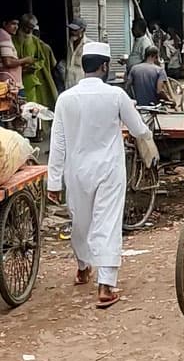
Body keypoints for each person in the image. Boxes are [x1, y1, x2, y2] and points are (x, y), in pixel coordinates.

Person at [47, 42, 157, 309]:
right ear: (105, 66)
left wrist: (53, 181)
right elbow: (139, 129)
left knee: (81, 222)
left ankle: (84, 268)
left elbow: (58, 142)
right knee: (107, 223)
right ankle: (105, 286)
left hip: (76, 171)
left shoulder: (65, 98)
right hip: (109, 169)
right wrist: (146, 140)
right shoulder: (115, 96)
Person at [13, 14, 57, 108]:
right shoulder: (11, 40)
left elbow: (41, 59)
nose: (29, 31)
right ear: (22, 25)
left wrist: (34, 67)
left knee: (30, 109)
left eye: (32, 28)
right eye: (27, 28)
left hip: (29, 81)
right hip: (13, 80)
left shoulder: (35, 41)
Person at [0, 16, 30, 95]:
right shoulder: (3, 35)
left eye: (17, 24)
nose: (16, 27)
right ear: (4, 24)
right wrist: (26, 60)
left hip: (11, 84)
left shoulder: (6, 36)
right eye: (13, 24)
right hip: (10, 85)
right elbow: (8, 62)